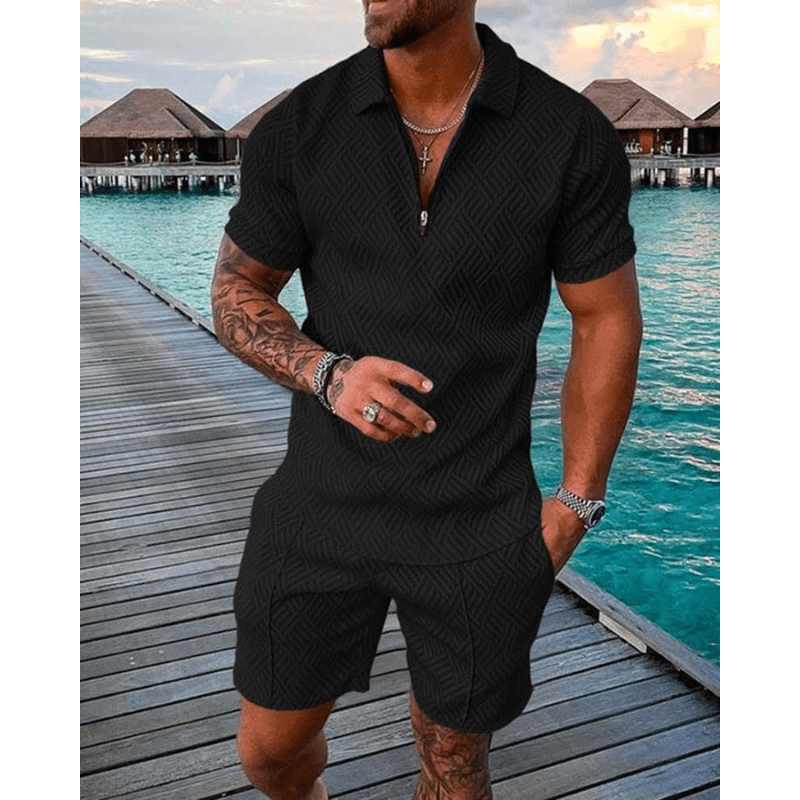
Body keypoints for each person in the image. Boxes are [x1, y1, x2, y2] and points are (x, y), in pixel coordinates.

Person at [210, 1, 642, 797]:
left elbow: (604, 316)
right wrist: (328, 374)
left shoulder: (566, 133)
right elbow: (238, 289)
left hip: (477, 516)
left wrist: (578, 500)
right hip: (320, 503)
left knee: (454, 767)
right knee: (267, 755)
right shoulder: (299, 127)